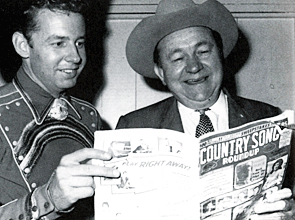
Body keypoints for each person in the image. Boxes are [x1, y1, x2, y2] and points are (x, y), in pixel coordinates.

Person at [116, 0, 295, 218]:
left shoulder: (269, 118)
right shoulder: (134, 128)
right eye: (178, 58)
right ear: (161, 73)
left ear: (220, 55)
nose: (194, 67)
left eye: (203, 51)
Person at [0, 0, 120, 219]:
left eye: (80, 43)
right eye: (58, 43)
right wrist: (50, 197)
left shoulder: (88, 115)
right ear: (22, 45)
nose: (75, 57)